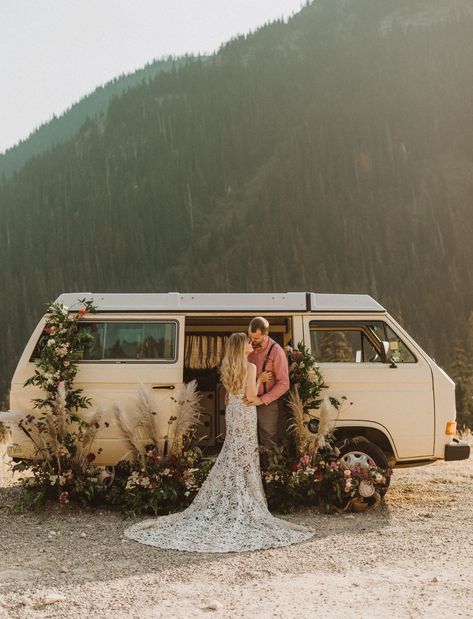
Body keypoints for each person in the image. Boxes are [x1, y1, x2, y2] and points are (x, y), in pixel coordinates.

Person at [124, 332, 315, 553]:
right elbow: (251, 398)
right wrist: (260, 380)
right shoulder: (251, 368)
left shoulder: (228, 368)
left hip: (233, 413)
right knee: (245, 455)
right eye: (247, 342)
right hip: (245, 413)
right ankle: (243, 498)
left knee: (233, 451)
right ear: (240, 347)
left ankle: (233, 496)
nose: (250, 344)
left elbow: (232, 394)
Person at [247, 316, 290, 452]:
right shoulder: (246, 346)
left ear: (266, 334)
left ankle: (269, 472)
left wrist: (262, 400)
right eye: (251, 337)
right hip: (246, 401)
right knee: (247, 438)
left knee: (268, 439)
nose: (252, 341)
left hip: (267, 403)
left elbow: (284, 383)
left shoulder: (276, 351)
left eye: (256, 338)